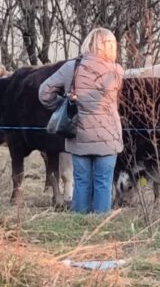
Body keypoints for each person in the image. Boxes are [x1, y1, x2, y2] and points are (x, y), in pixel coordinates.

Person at [38, 27, 124, 214]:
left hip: (79, 134)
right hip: (109, 136)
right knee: (103, 182)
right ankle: (100, 225)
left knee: (82, 180)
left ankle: (79, 222)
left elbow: (44, 92)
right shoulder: (117, 71)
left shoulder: (72, 67)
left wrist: (63, 104)